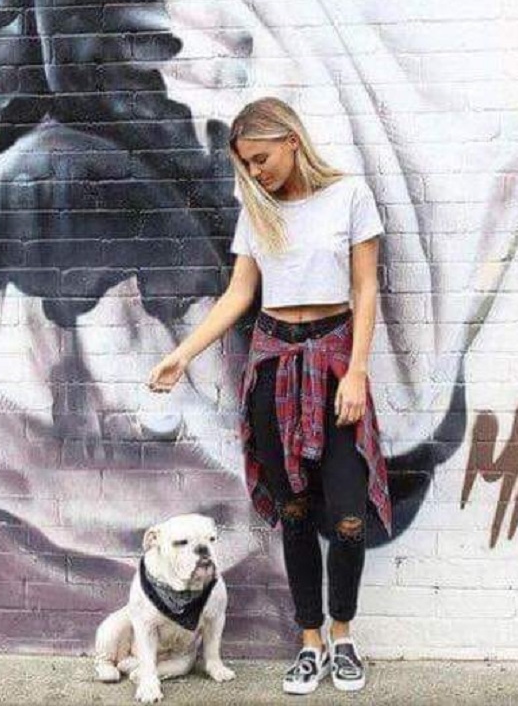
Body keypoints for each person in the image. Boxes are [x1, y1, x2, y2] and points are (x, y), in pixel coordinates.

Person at [146, 96, 391, 695]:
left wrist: (357, 372)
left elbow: (365, 288)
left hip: (334, 362)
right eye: (247, 165)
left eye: (261, 159)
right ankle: (311, 643)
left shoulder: (349, 196)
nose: (256, 173)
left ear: (291, 140)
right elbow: (238, 294)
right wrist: (183, 353)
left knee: (348, 516)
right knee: (295, 512)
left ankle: (343, 636)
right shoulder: (255, 211)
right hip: (274, 363)